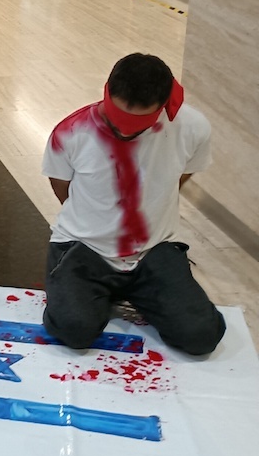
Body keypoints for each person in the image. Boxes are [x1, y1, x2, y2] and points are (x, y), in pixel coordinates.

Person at [41, 54, 226, 355]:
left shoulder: (192, 127)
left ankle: (129, 290)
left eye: (139, 123)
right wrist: (98, 216)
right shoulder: (71, 132)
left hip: (152, 250)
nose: (125, 132)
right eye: (119, 119)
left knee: (201, 336)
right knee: (74, 329)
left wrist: (146, 204)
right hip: (83, 246)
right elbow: (61, 185)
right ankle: (97, 291)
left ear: (164, 106)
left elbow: (182, 175)